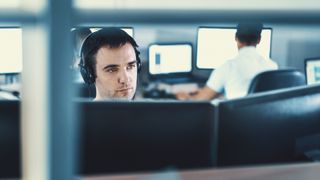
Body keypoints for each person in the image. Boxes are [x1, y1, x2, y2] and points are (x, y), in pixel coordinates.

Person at [176, 22, 278, 101]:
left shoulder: (229, 66)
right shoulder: (272, 66)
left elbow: (201, 100)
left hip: (237, 122)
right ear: (259, 39)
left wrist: (186, 97)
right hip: (264, 122)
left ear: (235, 37)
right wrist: (219, 94)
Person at [79, 27, 141, 101]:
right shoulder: (76, 112)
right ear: (90, 74)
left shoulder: (150, 111)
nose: (125, 79)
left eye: (130, 66)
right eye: (112, 70)